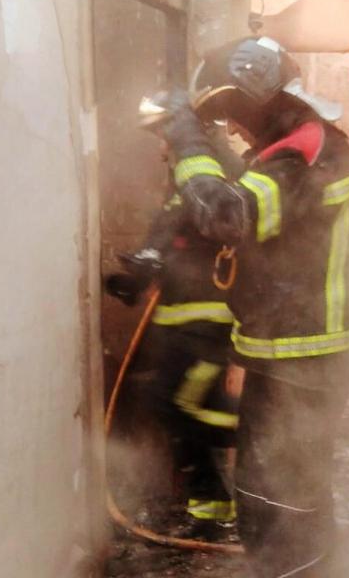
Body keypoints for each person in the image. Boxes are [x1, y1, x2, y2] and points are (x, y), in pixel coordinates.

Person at [153, 35, 349, 577]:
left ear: (250, 97)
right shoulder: (298, 147)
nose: (235, 131)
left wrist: (186, 138)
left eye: (231, 116)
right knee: (277, 500)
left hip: (304, 361)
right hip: (290, 357)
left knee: (281, 508)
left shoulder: (305, 153)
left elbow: (227, 216)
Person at [105, 142, 243, 539]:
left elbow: (216, 249)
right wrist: (138, 279)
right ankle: (210, 512)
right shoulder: (182, 190)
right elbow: (165, 246)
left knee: (182, 407)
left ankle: (234, 496)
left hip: (208, 330)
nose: (161, 148)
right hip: (182, 330)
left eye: (164, 136)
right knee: (180, 407)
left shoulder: (213, 186)